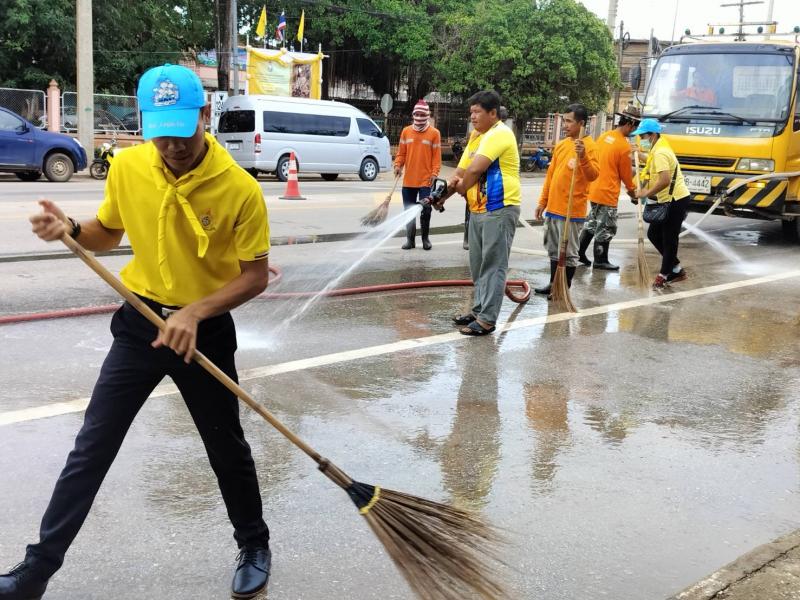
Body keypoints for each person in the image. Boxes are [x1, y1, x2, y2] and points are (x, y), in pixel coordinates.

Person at [1, 64, 272, 600]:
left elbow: (255, 277)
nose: (171, 143)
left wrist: (194, 313)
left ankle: (254, 544)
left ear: (204, 114)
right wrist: (72, 230)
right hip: (140, 323)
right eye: (159, 130)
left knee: (226, 447)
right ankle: (37, 570)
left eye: (182, 128)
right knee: (92, 446)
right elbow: (107, 232)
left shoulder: (240, 189)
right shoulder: (127, 168)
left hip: (204, 331)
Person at [431, 90, 521, 336]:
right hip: (478, 209)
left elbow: (473, 172)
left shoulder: (499, 133)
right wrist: (441, 196)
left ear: (493, 113)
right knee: (478, 264)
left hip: (499, 208)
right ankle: (479, 309)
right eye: (471, 112)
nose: (473, 117)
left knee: (493, 265)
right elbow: (460, 172)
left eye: (477, 112)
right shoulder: (476, 137)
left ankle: (487, 320)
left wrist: (457, 189)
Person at [534, 104, 599, 297]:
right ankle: (554, 283)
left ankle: (563, 288)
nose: (565, 125)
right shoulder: (562, 145)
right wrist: (542, 202)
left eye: (569, 121)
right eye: (564, 120)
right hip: (554, 208)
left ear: (581, 123)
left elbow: (593, 175)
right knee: (554, 250)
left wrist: (583, 156)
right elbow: (551, 175)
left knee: (569, 253)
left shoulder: (590, 147)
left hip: (572, 210)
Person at [578, 105, 640, 270]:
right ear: (630, 124)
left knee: (591, 223)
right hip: (608, 192)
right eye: (635, 127)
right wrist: (634, 194)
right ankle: (600, 260)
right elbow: (627, 176)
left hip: (594, 189)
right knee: (606, 227)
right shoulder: (623, 146)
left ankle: (579, 253)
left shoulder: (604, 137)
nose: (633, 131)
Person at [631, 118, 691, 289]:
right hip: (668, 199)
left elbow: (664, 180)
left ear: (653, 134)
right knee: (654, 234)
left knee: (669, 238)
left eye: (643, 136)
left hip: (676, 199)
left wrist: (645, 193)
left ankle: (664, 274)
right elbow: (651, 161)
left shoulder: (661, 152)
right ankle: (676, 267)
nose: (642, 139)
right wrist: (639, 154)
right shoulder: (658, 147)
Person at [394, 99, 442, 250]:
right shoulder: (406, 131)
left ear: (427, 115)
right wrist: (397, 165)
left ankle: (425, 239)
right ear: (413, 114)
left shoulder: (434, 133)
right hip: (408, 180)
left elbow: (436, 157)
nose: (419, 117)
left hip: (426, 180)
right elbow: (401, 153)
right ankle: (410, 240)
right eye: (417, 114)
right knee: (408, 210)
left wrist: (435, 173)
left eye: (422, 114)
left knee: (426, 210)